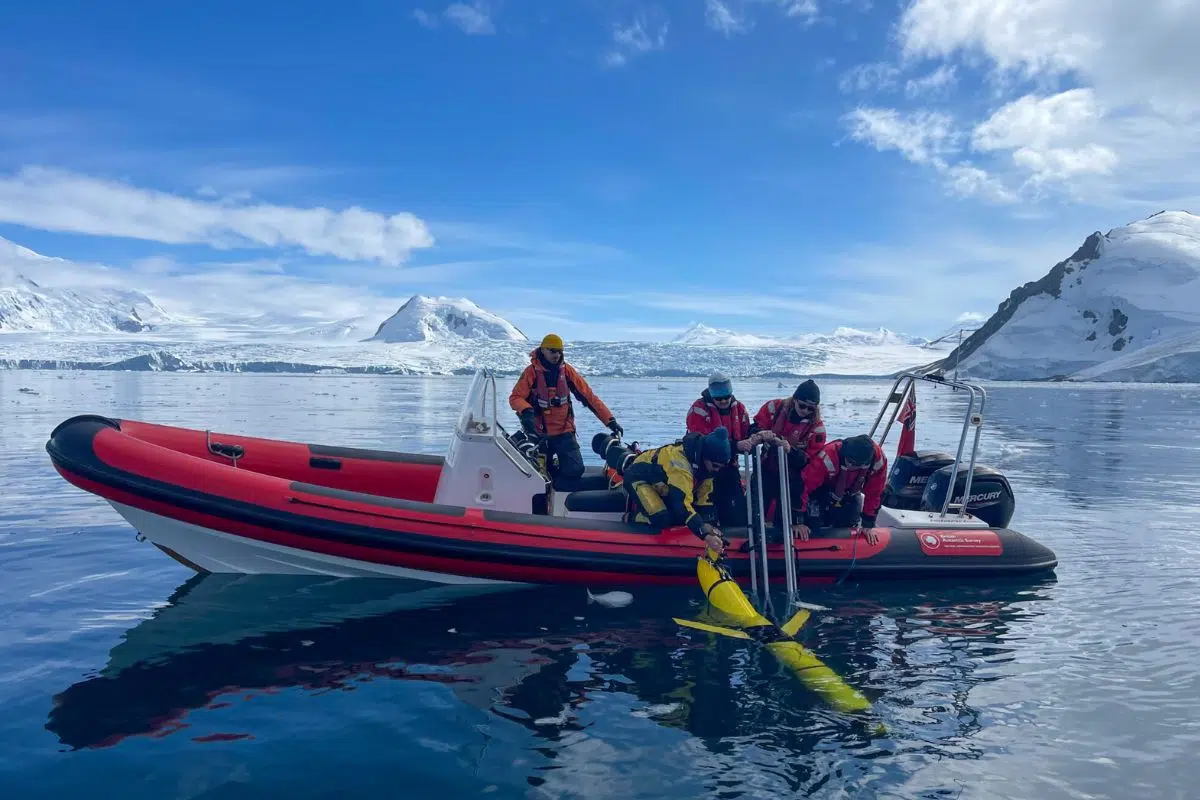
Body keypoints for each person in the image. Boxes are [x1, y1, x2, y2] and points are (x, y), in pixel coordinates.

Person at [509, 333, 623, 490]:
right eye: (553, 351)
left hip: (564, 431)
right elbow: (515, 398)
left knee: (575, 471)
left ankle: (557, 482)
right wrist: (526, 410)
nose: (557, 355)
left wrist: (610, 421)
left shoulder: (567, 371)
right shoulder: (531, 373)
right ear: (542, 350)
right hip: (539, 434)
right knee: (539, 474)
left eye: (560, 351)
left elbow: (589, 397)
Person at [622, 427, 731, 554]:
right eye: (715, 466)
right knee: (663, 518)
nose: (717, 470)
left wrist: (711, 528)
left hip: (664, 484)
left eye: (720, 467)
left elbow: (704, 502)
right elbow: (682, 505)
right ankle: (633, 517)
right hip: (639, 477)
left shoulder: (708, 469)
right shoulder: (680, 466)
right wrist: (704, 533)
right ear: (704, 457)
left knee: (686, 516)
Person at [749, 379, 827, 530]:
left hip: (792, 476)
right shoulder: (773, 408)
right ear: (795, 400)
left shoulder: (817, 429)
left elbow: (809, 460)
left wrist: (790, 450)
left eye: (810, 408)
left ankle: (780, 537)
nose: (805, 411)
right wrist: (760, 434)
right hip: (766, 468)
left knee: (783, 516)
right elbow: (753, 428)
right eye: (802, 406)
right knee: (755, 508)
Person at [686, 372, 754, 526]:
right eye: (719, 398)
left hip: (730, 467)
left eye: (726, 397)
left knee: (736, 513)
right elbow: (702, 443)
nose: (723, 401)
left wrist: (755, 434)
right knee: (706, 510)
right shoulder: (698, 410)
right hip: (705, 470)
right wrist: (735, 446)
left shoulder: (740, 409)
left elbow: (745, 432)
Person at [793, 434, 887, 544]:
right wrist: (797, 521)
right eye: (851, 463)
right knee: (814, 522)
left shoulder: (878, 460)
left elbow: (875, 492)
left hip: (851, 494)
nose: (853, 467)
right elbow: (803, 487)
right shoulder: (827, 457)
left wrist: (868, 525)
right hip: (823, 491)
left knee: (850, 523)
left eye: (858, 465)